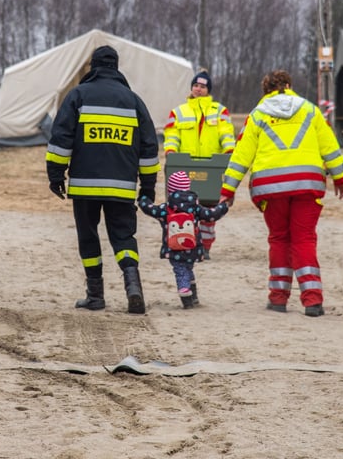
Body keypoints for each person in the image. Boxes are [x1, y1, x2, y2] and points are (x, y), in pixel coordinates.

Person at [219, 70, 343, 316]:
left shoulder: (257, 115)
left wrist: (228, 188)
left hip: (270, 187)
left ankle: (278, 298)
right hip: (307, 184)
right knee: (304, 239)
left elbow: (241, 155)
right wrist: (340, 178)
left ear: (265, 90)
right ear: (288, 85)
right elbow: (330, 146)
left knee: (279, 239)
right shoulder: (310, 110)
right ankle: (312, 301)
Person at [46, 45, 160, 314]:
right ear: (116, 67)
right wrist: (148, 186)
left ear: (93, 66)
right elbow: (149, 147)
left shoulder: (78, 95)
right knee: (123, 237)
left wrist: (55, 175)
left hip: (84, 186)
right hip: (122, 187)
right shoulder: (133, 101)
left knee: (88, 236)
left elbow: (61, 138)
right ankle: (133, 286)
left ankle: (95, 296)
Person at [163, 70, 235, 258]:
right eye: (196, 85)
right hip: (186, 169)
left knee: (209, 212)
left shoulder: (220, 111)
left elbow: (226, 133)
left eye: (202, 86)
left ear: (208, 90)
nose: (198, 89)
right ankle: (187, 244)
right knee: (185, 211)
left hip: (212, 170)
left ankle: (206, 247)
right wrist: (171, 151)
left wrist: (229, 151)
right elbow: (172, 135)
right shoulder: (178, 112)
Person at [139, 170, 230, 308]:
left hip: (173, 248)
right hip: (192, 248)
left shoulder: (166, 208)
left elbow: (150, 209)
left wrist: (143, 199)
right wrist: (224, 205)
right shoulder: (195, 208)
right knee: (188, 268)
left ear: (169, 190)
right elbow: (211, 215)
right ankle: (194, 296)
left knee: (180, 270)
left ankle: (186, 296)